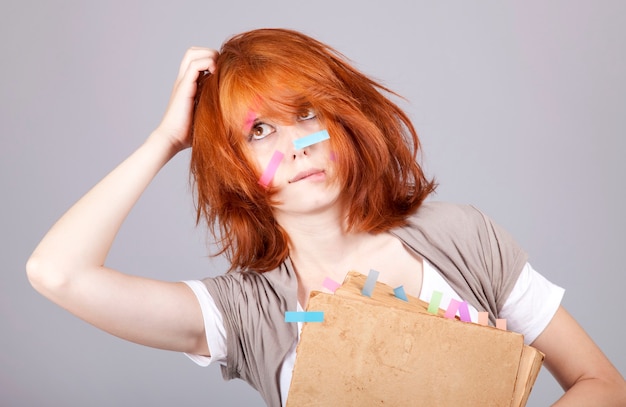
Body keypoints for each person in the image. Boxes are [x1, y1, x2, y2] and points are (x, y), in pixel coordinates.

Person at [26, 28, 626, 406]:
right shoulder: (248, 312)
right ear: (231, 164)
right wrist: (166, 139)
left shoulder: (461, 237)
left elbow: (603, 384)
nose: (295, 146)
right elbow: (57, 273)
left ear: (345, 120)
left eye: (308, 112)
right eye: (258, 131)